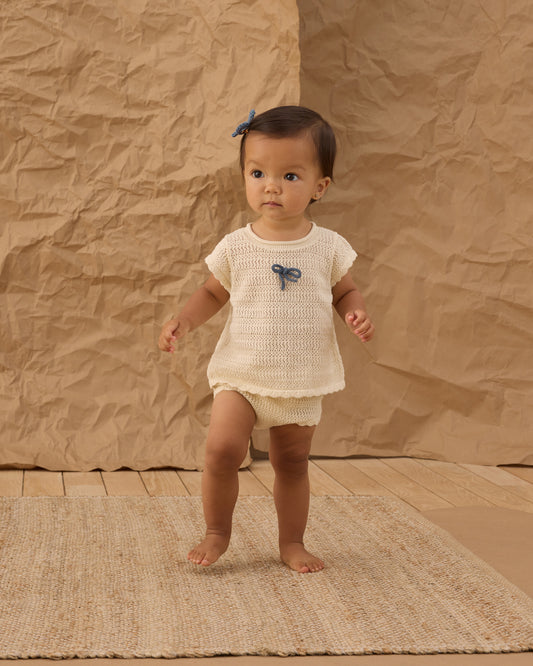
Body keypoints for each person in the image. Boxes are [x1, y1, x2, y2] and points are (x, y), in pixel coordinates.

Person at [158, 106, 374, 573]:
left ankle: (292, 542)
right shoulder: (237, 246)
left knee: (292, 463)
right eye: (258, 173)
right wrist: (185, 321)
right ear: (245, 176)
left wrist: (354, 312)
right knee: (221, 450)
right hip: (242, 373)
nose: (271, 186)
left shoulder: (327, 246)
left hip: (299, 379)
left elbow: (345, 291)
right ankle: (217, 532)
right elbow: (212, 292)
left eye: (290, 176)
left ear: (320, 187)